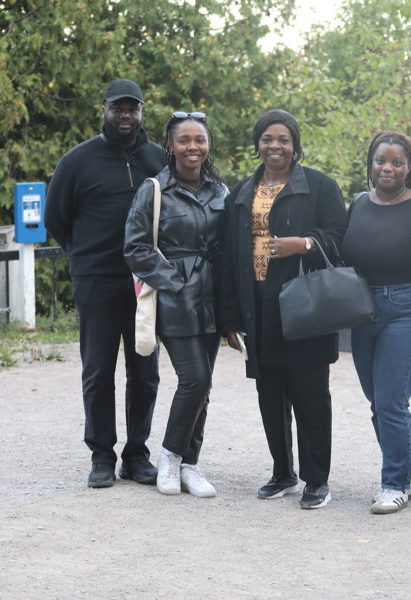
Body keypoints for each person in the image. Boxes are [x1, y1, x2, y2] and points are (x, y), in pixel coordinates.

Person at [220, 109, 348, 510]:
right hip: (258, 308)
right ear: (257, 144)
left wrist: (304, 244)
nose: (275, 146)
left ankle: (316, 480)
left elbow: (341, 237)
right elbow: (228, 257)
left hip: (305, 306)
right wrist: (229, 318)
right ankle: (283, 473)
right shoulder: (241, 193)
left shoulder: (320, 186)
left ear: (295, 145)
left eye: (283, 139)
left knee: (311, 395)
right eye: (267, 139)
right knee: (270, 395)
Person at [45, 79, 165, 489]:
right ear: (104, 110)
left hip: (144, 282)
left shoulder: (158, 159)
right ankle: (101, 455)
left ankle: (136, 454)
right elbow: (56, 219)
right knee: (98, 371)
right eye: (118, 108)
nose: (125, 115)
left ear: (141, 112)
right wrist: (84, 257)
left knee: (145, 371)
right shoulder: (77, 161)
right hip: (96, 281)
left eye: (132, 108)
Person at [123, 111, 229, 498]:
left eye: (199, 140)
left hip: (213, 297)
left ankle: (190, 465)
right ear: (171, 145)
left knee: (205, 385)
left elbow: (229, 245)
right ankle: (169, 457)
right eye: (184, 140)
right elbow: (135, 248)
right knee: (194, 378)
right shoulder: (153, 189)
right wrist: (174, 283)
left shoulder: (220, 191)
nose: (192, 147)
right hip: (176, 298)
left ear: (208, 144)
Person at [341, 131, 411, 514]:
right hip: (361, 310)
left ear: (408, 167)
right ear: (371, 163)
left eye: (397, 162)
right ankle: (402, 478)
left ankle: (395, 483)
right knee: (377, 403)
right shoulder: (357, 203)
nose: (388, 168)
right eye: (381, 160)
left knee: (391, 402)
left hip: (407, 309)